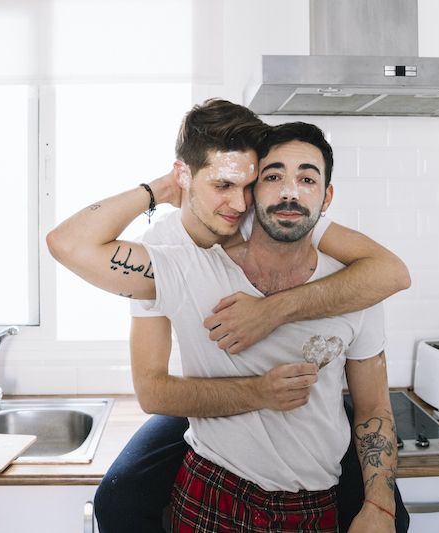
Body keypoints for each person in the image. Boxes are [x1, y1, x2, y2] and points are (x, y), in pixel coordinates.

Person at [47, 110, 401, 532]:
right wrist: (164, 186)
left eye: (305, 180)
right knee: (119, 498)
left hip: (308, 485)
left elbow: (392, 276)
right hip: (211, 459)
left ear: (325, 198)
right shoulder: (176, 256)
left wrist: (272, 310)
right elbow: (153, 390)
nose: (239, 202)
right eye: (224, 185)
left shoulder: (317, 249)